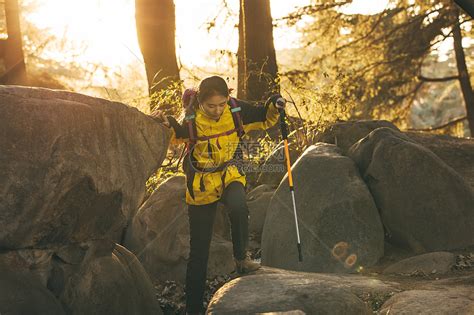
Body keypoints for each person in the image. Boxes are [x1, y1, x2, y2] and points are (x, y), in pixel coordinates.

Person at [153, 76, 284, 315]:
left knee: (238, 205)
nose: (217, 110)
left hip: (230, 175)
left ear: (227, 99)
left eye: (221, 104)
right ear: (200, 102)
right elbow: (176, 132)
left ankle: (241, 259)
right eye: (211, 105)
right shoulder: (192, 120)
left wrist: (274, 103)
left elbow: (264, 117)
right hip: (202, 185)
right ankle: (193, 309)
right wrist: (163, 122)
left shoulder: (236, 110)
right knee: (199, 252)